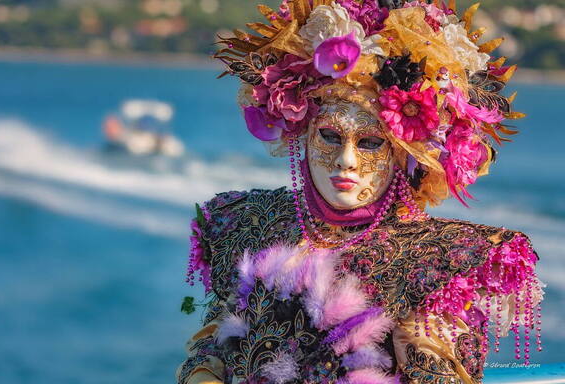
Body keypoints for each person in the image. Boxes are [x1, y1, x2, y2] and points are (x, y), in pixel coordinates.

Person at [177, 1, 545, 383]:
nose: (346, 161)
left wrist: (420, 345)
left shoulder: (435, 261)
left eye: (370, 142)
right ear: (302, 135)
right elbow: (209, 350)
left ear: (403, 154)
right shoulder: (247, 223)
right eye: (330, 137)